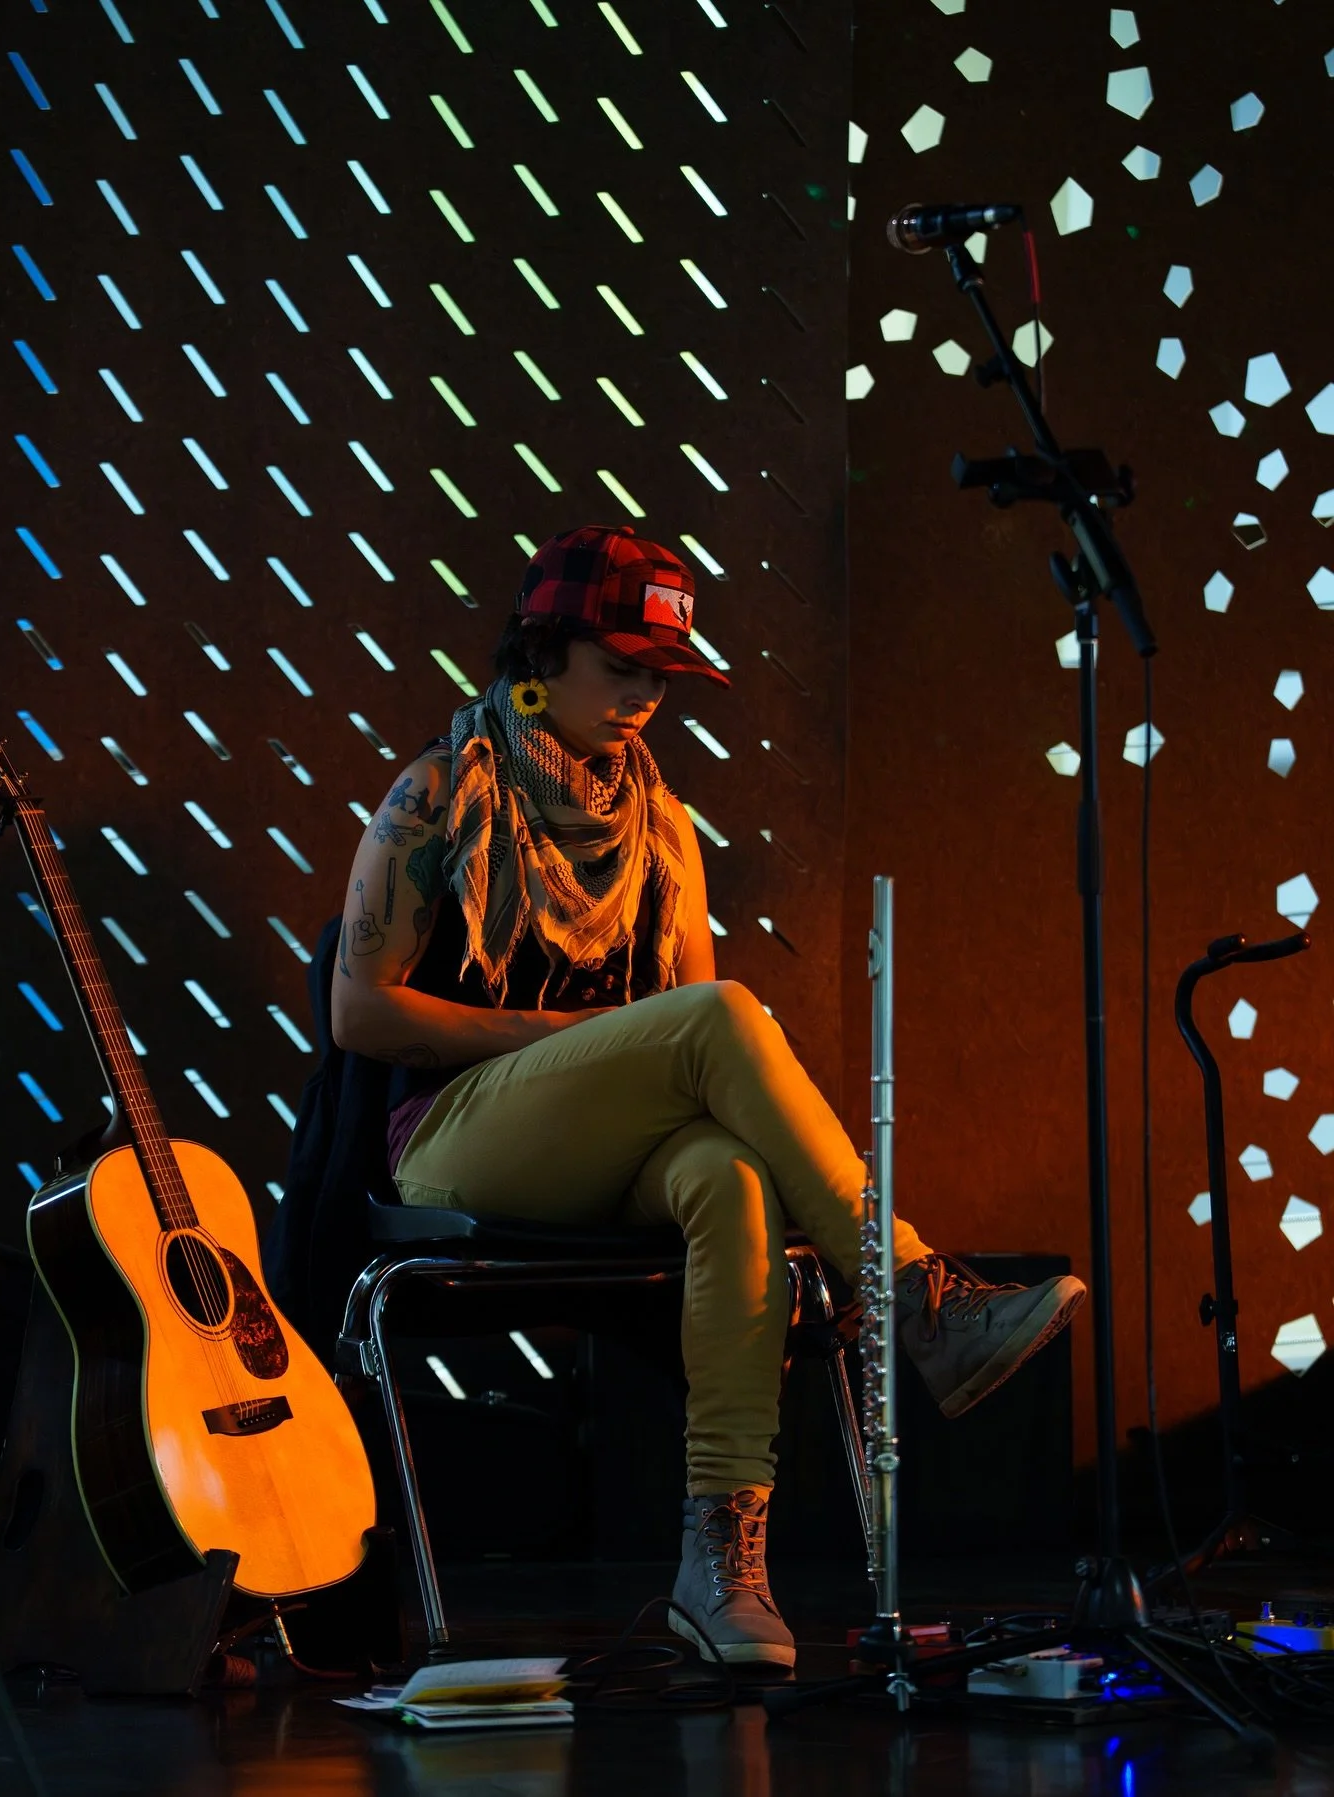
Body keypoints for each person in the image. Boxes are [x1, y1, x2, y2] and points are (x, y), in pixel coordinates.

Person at [330, 523, 1085, 1670]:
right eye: (620, 667)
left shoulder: (659, 823)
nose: (643, 697)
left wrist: (648, 1062)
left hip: (612, 1150)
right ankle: (911, 1292)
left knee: (730, 1174)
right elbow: (359, 1013)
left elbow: (691, 1065)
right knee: (727, 1015)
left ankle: (719, 1565)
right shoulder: (440, 791)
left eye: (661, 678)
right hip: (457, 1141)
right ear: (544, 649)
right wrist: (568, 1035)